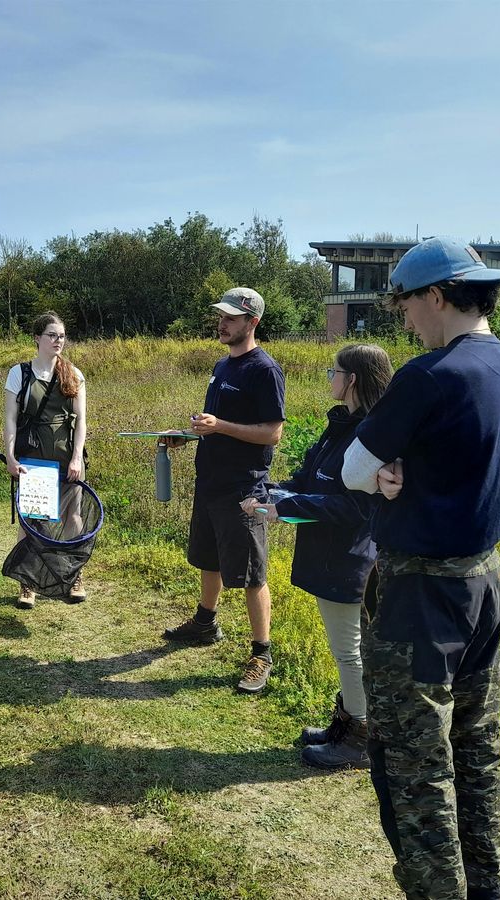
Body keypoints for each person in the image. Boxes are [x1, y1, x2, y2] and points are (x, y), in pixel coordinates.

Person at [341, 237, 500, 900]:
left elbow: (353, 468)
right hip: (484, 585)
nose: (407, 321)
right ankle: (486, 889)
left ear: (438, 296)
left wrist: (383, 475)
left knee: (415, 772)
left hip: (421, 598)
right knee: (478, 757)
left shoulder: (430, 374)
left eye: (408, 306)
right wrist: (405, 469)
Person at [241, 343, 393, 768]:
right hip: (328, 554)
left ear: (353, 381)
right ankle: (344, 723)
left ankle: (359, 738)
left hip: (351, 558)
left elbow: (355, 508)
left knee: (350, 650)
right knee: (347, 648)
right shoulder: (340, 426)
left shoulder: (371, 434)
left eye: (334, 371)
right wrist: (270, 492)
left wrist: (285, 507)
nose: (329, 377)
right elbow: (310, 478)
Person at [160, 287, 286, 694]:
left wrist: (221, 427)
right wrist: (188, 435)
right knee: (208, 559)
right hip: (210, 481)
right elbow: (216, 424)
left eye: (232, 318)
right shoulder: (222, 366)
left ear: (253, 322)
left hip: (243, 489)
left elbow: (272, 432)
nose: (222, 323)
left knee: (251, 574)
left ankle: (261, 654)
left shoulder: (264, 370)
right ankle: (204, 622)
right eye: (221, 316)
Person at [2, 311, 89, 608]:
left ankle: (74, 577)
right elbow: (11, 420)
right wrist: (12, 458)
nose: (58, 341)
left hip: (67, 458)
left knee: (73, 518)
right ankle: (28, 584)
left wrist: (77, 458)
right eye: (52, 335)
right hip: (34, 461)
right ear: (37, 339)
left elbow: (82, 422)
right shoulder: (20, 373)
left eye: (62, 336)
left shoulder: (74, 374)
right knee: (31, 521)